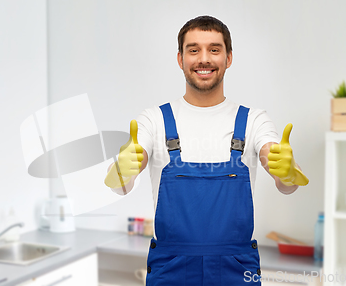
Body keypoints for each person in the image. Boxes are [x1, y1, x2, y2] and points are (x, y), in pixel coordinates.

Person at [104, 15, 309, 286]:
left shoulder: (254, 120)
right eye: (193, 50)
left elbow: (282, 177)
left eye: (214, 49)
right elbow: (122, 184)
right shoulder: (153, 120)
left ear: (229, 58)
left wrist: (287, 170)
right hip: (170, 270)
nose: (204, 59)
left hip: (236, 270)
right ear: (180, 59)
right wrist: (122, 168)